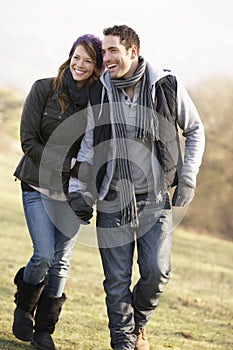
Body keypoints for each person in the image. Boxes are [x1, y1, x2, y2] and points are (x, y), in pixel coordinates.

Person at [68, 25, 205, 350]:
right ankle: (124, 343)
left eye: (112, 50)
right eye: (104, 52)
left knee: (157, 273)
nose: (107, 57)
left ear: (132, 51)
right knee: (116, 284)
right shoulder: (100, 91)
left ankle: (137, 325)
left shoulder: (165, 85)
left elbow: (195, 129)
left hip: (155, 201)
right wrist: (80, 188)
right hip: (111, 199)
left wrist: (187, 177)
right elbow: (89, 143)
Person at [12, 34, 103, 350]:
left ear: (96, 68)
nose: (80, 64)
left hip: (71, 196)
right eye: (77, 56)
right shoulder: (42, 88)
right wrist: (71, 164)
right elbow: (28, 142)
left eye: (88, 61)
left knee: (61, 262)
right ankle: (24, 306)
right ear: (70, 56)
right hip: (36, 184)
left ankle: (44, 331)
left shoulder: (98, 104)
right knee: (45, 255)